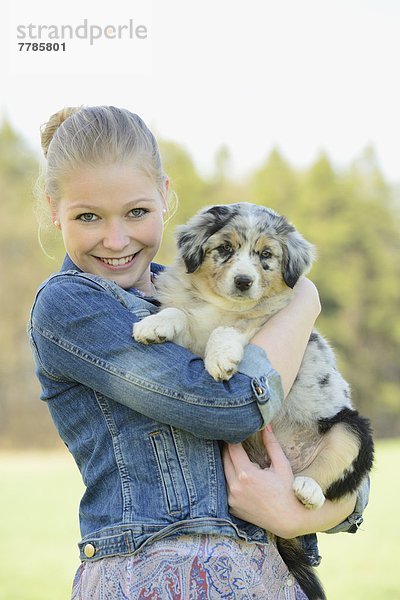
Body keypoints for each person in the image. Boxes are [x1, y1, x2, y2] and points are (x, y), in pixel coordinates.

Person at [29, 105, 368, 599]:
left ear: (166, 198)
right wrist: (303, 302)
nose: (117, 239)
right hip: (156, 580)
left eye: (137, 212)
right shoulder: (70, 305)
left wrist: (299, 511)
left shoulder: (197, 287)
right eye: (88, 217)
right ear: (53, 209)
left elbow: (341, 465)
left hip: (266, 579)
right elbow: (233, 408)